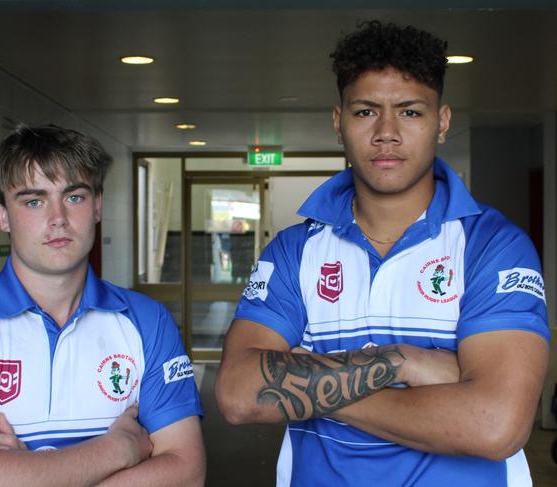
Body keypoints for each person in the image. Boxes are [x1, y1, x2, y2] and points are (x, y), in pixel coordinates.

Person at [216, 20, 549, 486]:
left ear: (443, 122)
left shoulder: (492, 245)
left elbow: (495, 424)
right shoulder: (294, 251)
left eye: (410, 112)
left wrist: (309, 382)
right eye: (366, 112)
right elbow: (236, 392)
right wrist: (406, 362)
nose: (386, 133)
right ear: (339, 122)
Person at [0, 125, 206, 486]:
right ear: (2, 214)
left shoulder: (147, 321)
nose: (57, 218)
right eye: (34, 201)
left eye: (74, 197)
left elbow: (186, 473)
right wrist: (117, 451)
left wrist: (21, 474)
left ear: (97, 205)